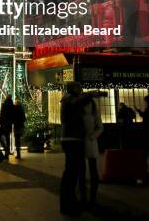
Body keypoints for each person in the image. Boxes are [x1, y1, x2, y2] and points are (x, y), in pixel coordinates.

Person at [59, 81, 86, 216]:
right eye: (78, 87)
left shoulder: (69, 100)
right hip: (72, 139)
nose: (81, 90)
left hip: (72, 139)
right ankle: (68, 202)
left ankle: (70, 201)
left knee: (72, 171)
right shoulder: (69, 100)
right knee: (71, 171)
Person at [82, 94, 103, 208]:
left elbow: (100, 127)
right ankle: (86, 196)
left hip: (89, 142)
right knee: (85, 170)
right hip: (84, 142)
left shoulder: (94, 112)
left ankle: (92, 197)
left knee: (92, 169)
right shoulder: (81, 111)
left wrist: (92, 136)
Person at [0, 94, 14, 158]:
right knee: (7, 138)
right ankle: (7, 151)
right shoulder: (12, 106)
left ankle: (5, 149)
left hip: (4, 123)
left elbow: (1, 114)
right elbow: (13, 115)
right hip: (9, 124)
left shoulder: (4, 105)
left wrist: (0, 121)